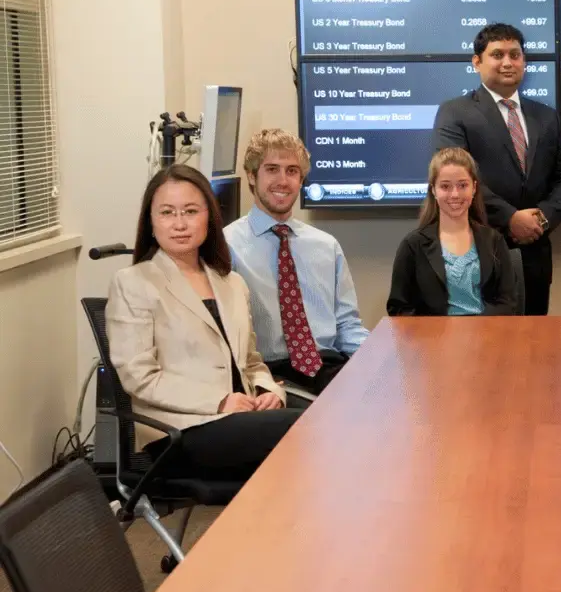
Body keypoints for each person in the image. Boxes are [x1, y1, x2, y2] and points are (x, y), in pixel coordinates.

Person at [105, 164, 302, 481]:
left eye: (191, 211)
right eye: (167, 212)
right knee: (307, 430)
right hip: (182, 431)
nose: (180, 223)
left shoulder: (232, 283)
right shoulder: (133, 282)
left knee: (327, 419)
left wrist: (269, 391)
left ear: (209, 218)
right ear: (151, 223)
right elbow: (138, 377)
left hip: (244, 416)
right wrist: (220, 401)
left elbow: (250, 362)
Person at [433, 23, 561, 316]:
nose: (508, 62)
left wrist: (542, 219)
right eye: (497, 54)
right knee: (481, 345)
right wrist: (510, 217)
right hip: (478, 245)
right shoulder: (455, 112)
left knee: (534, 342)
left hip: (536, 250)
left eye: (515, 54)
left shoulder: (545, 116)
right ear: (477, 62)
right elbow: (455, 179)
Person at [224, 129, 369, 397]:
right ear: (252, 176)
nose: (283, 180)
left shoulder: (326, 246)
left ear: (301, 179)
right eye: (272, 169)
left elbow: (347, 326)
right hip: (268, 373)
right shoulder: (226, 247)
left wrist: (380, 361)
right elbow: (227, 339)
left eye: (292, 171)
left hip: (328, 365)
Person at [386, 148, 519, 316]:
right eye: (445, 186)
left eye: (463, 185)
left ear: (474, 188)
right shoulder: (413, 245)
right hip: (433, 339)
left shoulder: (494, 240)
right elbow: (398, 308)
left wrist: (476, 331)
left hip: (486, 336)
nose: (455, 194)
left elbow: (508, 303)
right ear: (433, 190)